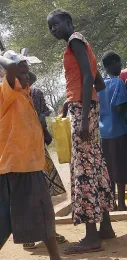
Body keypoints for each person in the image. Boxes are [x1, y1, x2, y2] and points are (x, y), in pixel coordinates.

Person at [47, 9, 115, 254]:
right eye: (50, 28)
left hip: (84, 111)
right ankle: (105, 226)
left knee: (83, 168)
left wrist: (84, 116)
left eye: (55, 24)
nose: (53, 30)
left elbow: (88, 77)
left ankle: (90, 236)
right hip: (85, 106)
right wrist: (71, 100)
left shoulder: (75, 40)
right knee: (94, 164)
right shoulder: (81, 43)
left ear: (68, 22)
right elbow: (99, 82)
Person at [0, 51, 61, 260]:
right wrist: (7, 59)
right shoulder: (5, 91)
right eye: (22, 73)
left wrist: (21, 66)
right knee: (36, 214)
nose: (28, 77)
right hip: (17, 165)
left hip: (26, 165)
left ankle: (55, 257)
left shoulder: (23, 91)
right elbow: (11, 69)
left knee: (40, 214)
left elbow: (29, 76)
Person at [24, 86, 67, 250]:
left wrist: (41, 116)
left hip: (38, 148)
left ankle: (49, 232)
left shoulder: (34, 92)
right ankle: (30, 234)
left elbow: (46, 111)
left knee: (45, 193)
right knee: (27, 194)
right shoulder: (7, 93)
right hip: (20, 152)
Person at [100, 51, 127, 211]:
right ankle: (124, 203)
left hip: (104, 133)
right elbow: (119, 107)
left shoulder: (100, 85)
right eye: (119, 63)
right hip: (119, 131)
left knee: (110, 169)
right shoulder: (117, 83)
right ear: (114, 63)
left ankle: (114, 203)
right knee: (124, 167)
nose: (120, 66)